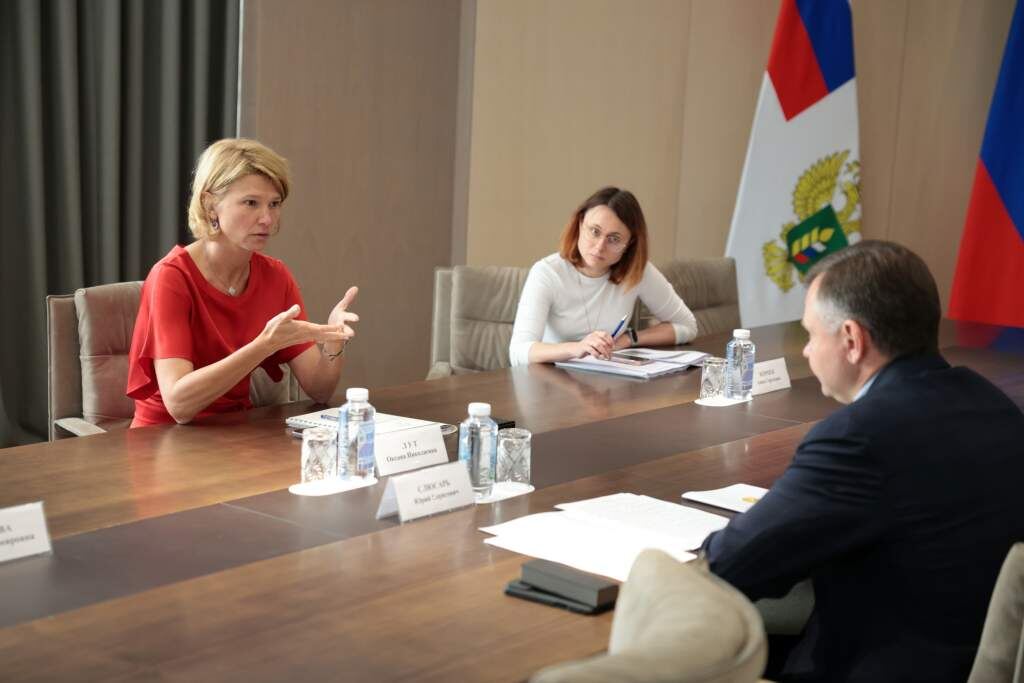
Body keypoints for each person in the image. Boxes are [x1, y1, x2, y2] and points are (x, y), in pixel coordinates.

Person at [702, 241, 1024, 682]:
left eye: (811, 335)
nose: (807, 351)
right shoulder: (994, 404)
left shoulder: (858, 438)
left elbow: (728, 567)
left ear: (852, 340)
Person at [126, 138, 359, 426]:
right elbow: (179, 406)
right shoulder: (172, 277)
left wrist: (334, 340)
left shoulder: (276, 277)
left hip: (236, 433)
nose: (267, 219)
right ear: (210, 205)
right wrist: (264, 345)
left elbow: (320, 389)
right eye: (251, 203)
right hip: (165, 437)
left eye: (274, 204)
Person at [509, 186, 697, 366]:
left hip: (609, 379)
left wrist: (629, 339)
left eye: (614, 239)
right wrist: (577, 348)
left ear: (630, 243)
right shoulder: (547, 272)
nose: (599, 247)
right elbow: (518, 351)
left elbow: (687, 326)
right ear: (580, 224)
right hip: (551, 379)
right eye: (594, 231)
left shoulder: (636, 271)